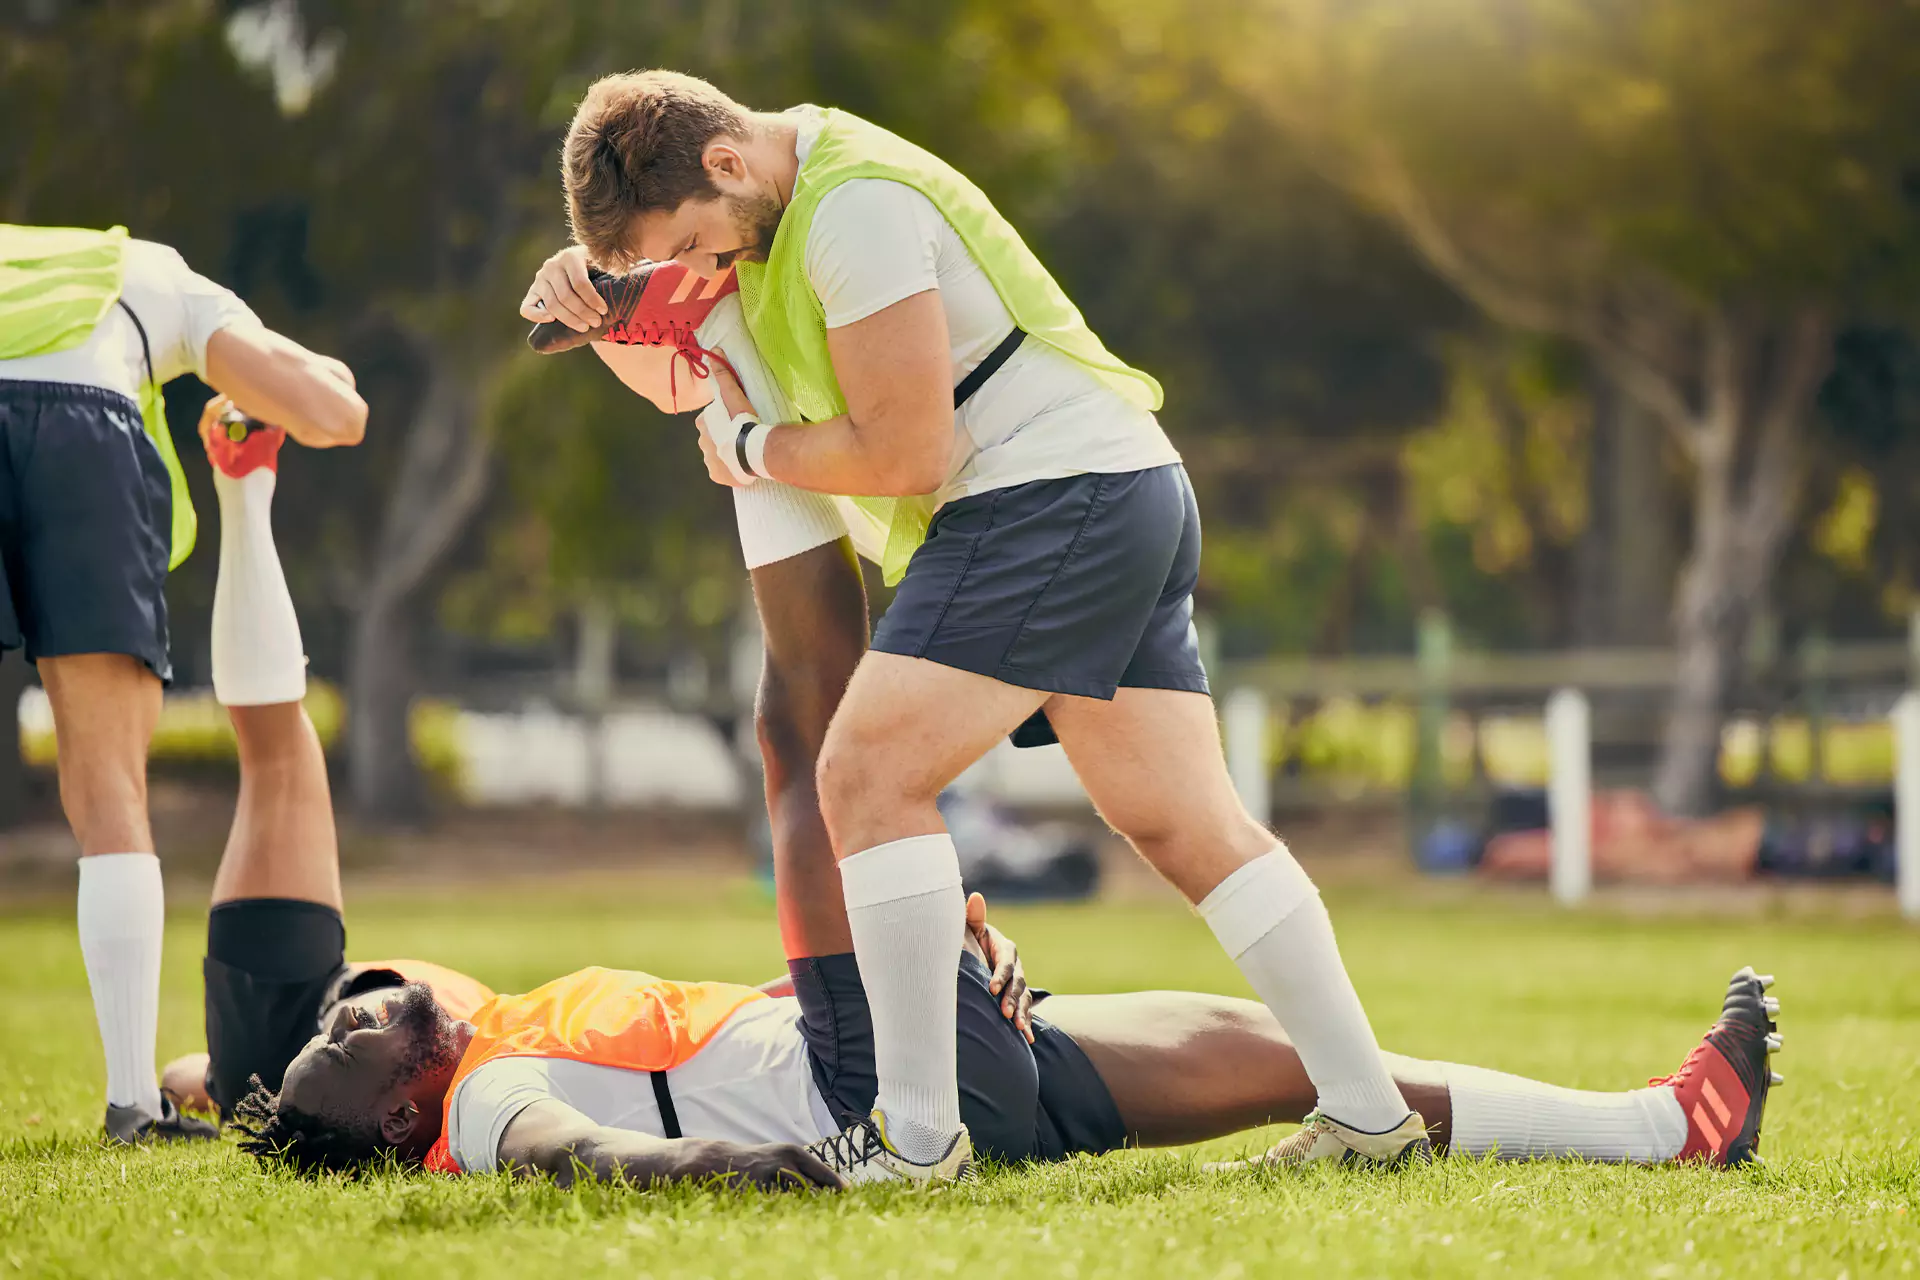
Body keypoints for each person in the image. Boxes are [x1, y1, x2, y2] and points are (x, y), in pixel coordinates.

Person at [223, 270, 1784, 1186]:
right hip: (861, 1099)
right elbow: (605, 1158)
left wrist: (915, 960)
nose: (344, 1019)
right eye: (344, 1056)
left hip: (915, 1053)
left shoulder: (483, 1020)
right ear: (405, 1118)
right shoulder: (486, 1097)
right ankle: (724, 379)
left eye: (329, 1024)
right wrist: (766, 1175)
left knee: (1282, 1056)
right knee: (806, 739)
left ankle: (1666, 1124)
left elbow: (220, 1079)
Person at [520, 69, 1431, 1182]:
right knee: (1186, 821)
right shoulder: (762, 212)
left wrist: (754, 452)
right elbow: (678, 374)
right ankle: (1370, 1113)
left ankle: (914, 1138)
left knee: (862, 772)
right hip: (1115, 481)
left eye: (698, 243)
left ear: (725, 163)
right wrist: (593, 292)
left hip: (1050, 493)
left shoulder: (853, 207)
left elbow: (912, 455)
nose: (704, 270)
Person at [0, 222, 366, 1144]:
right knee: (108, 783)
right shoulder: (151, 274)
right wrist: (308, 382)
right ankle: (130, 1105)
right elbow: (334, 414)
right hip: (78, 418)